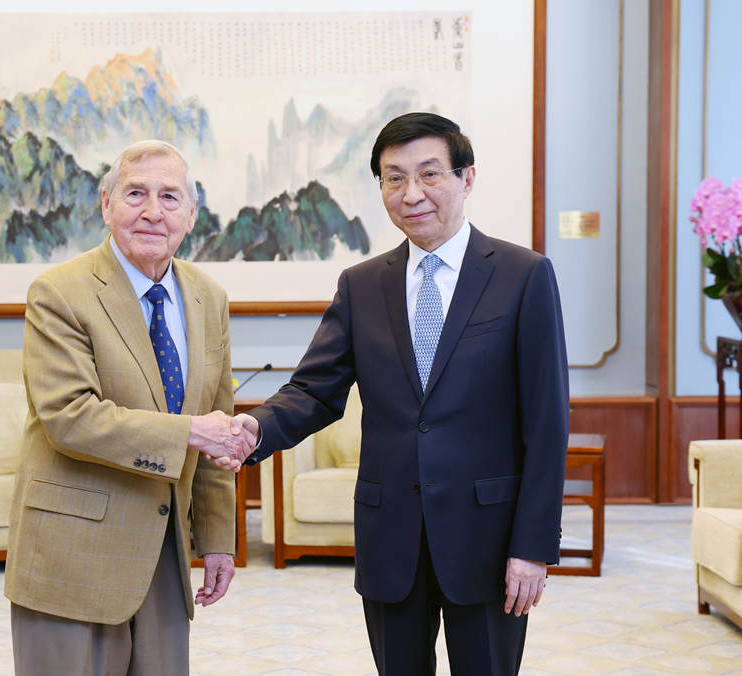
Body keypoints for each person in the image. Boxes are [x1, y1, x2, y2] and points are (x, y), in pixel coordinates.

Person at [232, 112, 570, 675]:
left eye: (429, 174)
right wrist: (255, 428)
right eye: (394, 179)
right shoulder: (362, 285)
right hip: (391, 537)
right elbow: (315, 390)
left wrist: (532, 546)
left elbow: (547, 420)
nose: (411, 194)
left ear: (466, 178)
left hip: (487, 538)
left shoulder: (523, 275)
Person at [4, 140, 254, 676]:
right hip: (72, 557)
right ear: (106, 204)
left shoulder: (209, 298)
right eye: (136, 193)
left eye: (170, 197)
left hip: (165, 556)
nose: (152, 211)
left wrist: (218, 541)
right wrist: (191, 433)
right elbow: (69, 417)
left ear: (191, 214)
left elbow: (217, 424)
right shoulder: (58, 292)